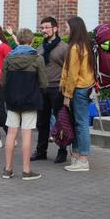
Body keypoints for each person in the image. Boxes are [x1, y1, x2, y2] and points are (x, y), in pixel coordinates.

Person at [0, 28, 48, 180]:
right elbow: (44, 83)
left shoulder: (9, 57)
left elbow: (3, 81)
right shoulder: (37, 59)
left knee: (11, 134)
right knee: (26, 134)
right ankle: (26, 171)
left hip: (13, 100)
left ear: (18, 40)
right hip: (30, 100)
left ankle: (8, 169)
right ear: (32, 41)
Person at [32, 16, 69, 164]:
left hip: (57, 89)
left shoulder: (64, 47)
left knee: (60, 122)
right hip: (42, 89)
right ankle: (41, 151)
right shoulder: (40, 48)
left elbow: (69, 69)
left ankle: (62, 151)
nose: (44, 30)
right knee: (42, 122)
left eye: (47, 27)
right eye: (42, 28)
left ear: (55, 28)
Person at [60, 16, 95, 171]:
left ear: (74, 28)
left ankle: (83, 159)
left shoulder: (75, 48)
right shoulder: (85, 45)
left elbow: (72, 74)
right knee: (79, 124)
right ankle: (77, 157)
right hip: (86, 88)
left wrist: (67, 94)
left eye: (66, 27)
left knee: (81, 125)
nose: (65, 30)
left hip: (78, 90)